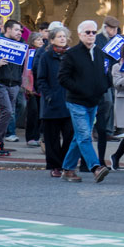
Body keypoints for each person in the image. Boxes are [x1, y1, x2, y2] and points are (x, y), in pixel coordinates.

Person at [58, 20, 111, 183]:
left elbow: (104, 75)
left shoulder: (100, 53)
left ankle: (67, 169)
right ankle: (96, 167)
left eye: (94, 32)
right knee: (84, 136)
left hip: (93, 102)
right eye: (87, 32)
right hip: (76, 102)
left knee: (79, 137)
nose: (91, 35)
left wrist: (103, 87)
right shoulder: (71, 54)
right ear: (80, 34)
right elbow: (62, 78)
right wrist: (81, 89)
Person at [36, 25, 73, 177]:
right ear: (51, 40)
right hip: (51, 104)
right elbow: (41, 79)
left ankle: (66, 163)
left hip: (69, 102)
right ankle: (54, 166)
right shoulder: (46, 56)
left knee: (70, 135)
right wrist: (49, 95)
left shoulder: (71, 56)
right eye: (59, 36)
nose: (62, 39)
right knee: (52, 138)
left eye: (64, 36)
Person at [0, 19, 26, 156]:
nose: (19, 33)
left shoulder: (21, 45)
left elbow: (22, 66)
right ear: (7, 29)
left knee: (8, 114)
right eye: (16, 30)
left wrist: (21, 81)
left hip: (14, 85)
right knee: (7, 111)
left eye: (20, 30)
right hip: (1, 83)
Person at [94, 16, 121, 145]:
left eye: (116, 28)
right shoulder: (99, 39)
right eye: (112, 28)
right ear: (105, 28)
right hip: (101, 76)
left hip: (114, 76)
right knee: (106, 102)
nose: (115, 31)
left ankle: (108, 131)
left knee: (112, 103)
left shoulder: (118, 40)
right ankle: (99, 130)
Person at [24, 31, 44, 147]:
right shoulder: (29, 53)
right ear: (32, 41)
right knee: (33, 112)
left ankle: (37, 136)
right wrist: (27, 86)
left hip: (40, 87)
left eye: (42, 39)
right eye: (38, 39)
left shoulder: (43, 52)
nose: (41, 41)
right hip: (31, 88)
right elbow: (27, 71)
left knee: (39, 113)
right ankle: (30, 137)